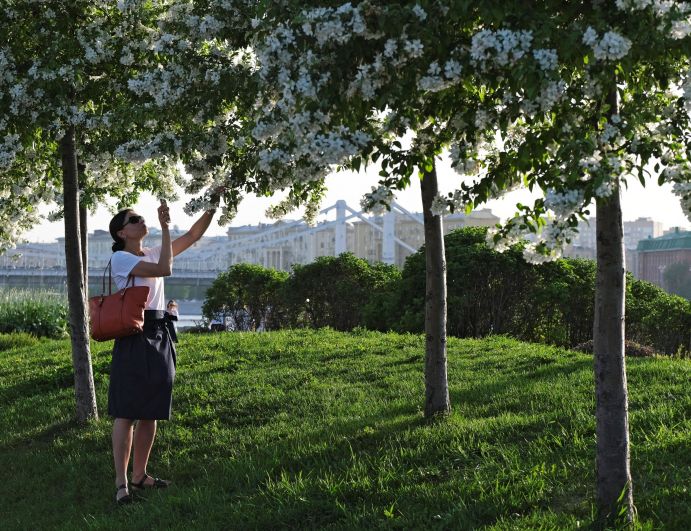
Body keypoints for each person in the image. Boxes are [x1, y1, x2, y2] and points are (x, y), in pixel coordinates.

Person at [107, 199, 217, 505]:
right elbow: (165, 269)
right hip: (134, 334)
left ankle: (140, 475)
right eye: (135, 220)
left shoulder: (152, 251)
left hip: (159, 333)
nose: (142, 221)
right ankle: (121, 484)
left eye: (142, 218)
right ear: (121, 234)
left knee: (152, 409)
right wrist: (166, 228)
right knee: (127, 411)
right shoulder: (121, 260)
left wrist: (212, 205)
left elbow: (193, 236)